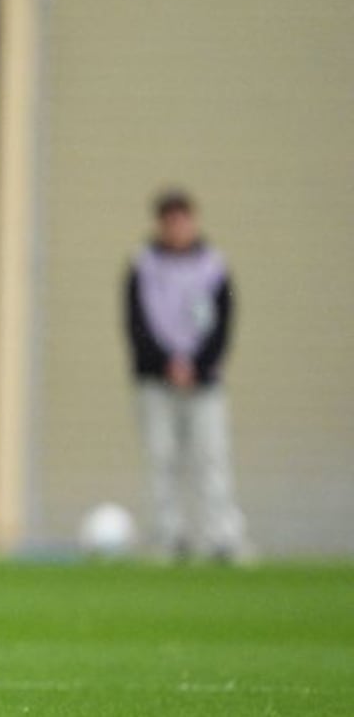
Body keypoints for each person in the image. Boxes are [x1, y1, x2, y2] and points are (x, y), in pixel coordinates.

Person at [125, 189, 249, 562]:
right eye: (170, 221)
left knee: (211, 459)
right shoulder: (143, 266)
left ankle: (221, 537)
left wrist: (199, 365)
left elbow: (224, 323)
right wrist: (166, 363)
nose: (177, 228)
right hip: (156, 382)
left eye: (182, 220)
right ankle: (168, 537)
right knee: (162, 459)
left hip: (204, 382)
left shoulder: (214, 266)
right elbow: (136, 324)